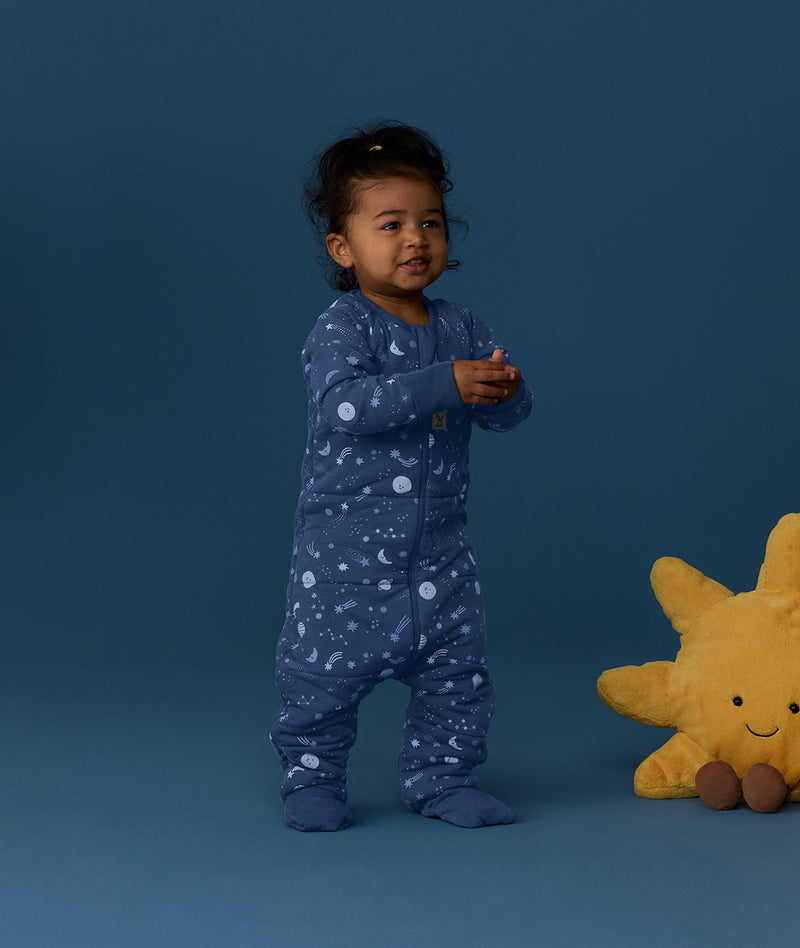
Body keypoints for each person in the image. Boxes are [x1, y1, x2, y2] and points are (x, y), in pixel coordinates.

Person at [269, 121, 533, 831]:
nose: (415, 239)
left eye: (430, 223)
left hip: (439, 563)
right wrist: (445, 382)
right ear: (343, 248)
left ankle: (442, 778)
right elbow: (346, 406)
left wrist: (506, 392)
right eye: (391, 225)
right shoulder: (342, 326)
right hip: (346, 566)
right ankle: (311, 778)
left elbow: (506, 417)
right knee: (321, 683)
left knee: (459, 678)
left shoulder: (462, 327)